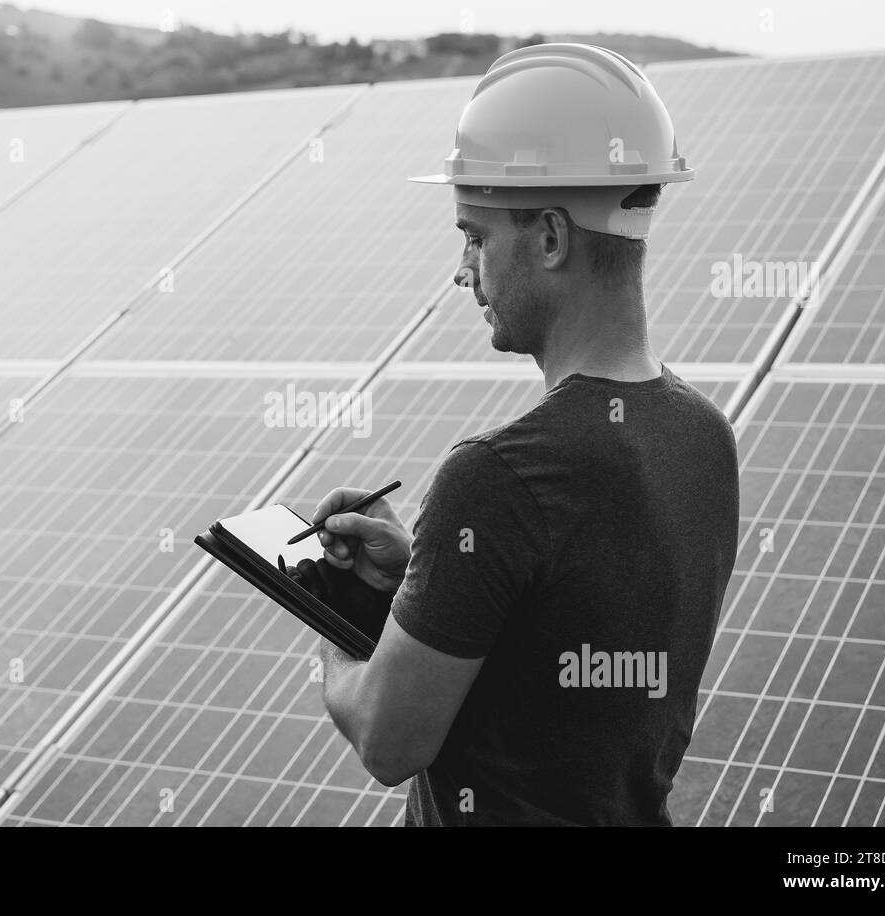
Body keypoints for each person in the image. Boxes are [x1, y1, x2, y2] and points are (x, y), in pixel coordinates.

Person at [291, 44, 740, 826]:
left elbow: (388, 742)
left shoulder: (496, 477)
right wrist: (427, 580)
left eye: (475, 235)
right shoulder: (705, 437)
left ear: (552, 238)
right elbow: (563, 649)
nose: (463, 270)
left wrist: (329, 626)